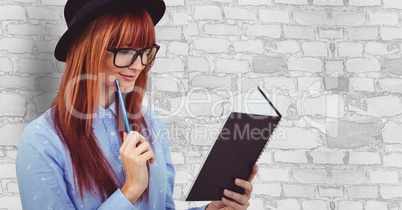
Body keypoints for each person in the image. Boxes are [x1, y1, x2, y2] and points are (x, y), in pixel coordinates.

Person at [16, 0, 258, 209]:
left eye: (145, 51)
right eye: (126, 50)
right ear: (89, 50)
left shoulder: (151, 123)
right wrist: (130, 190)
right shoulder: (41, 140)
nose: (138, 64)